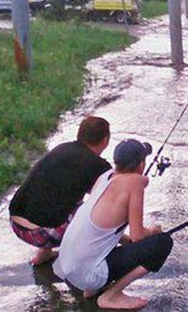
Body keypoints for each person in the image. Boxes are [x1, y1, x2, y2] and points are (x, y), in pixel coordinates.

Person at [53, 139, 173, 310]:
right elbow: (138, 236)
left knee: (122, 245)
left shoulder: (105, 177)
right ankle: (111, 295)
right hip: (86, 274)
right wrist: (154, 231)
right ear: (141, 164)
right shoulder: (135, 183)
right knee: (163, 242)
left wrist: (125, 240)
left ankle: (93, 289)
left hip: (67, 267)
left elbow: (101, 228)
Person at [9, 116, 112, 266]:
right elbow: (111, 198)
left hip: (16, 222)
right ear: (105, 141)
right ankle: (83, 263)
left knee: (61, 197)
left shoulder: (62, 148)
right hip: (41, 234)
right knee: (95, 209)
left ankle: (44, 253)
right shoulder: (99, 166)